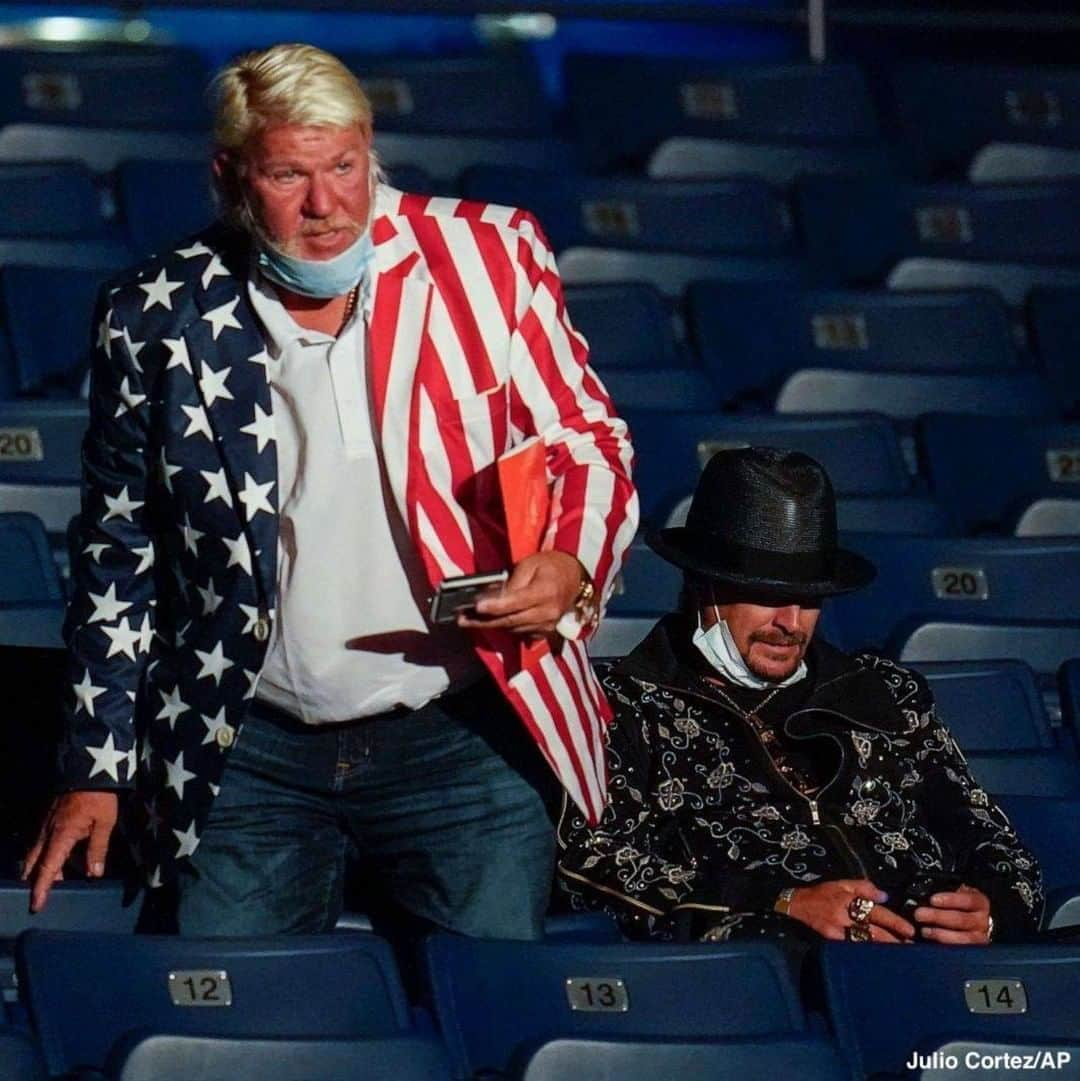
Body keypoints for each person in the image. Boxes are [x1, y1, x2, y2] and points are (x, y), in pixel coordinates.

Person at [23, 43, 637, 939]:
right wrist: (97, 763)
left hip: (461, 733)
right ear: (230, 175)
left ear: (370, 145)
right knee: (239, 1028)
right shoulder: (155, 314)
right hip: (247, 746)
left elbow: (588, 440)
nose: (326, 204)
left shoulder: (490, 254)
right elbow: (121, 554)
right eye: (289, 174)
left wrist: (571, 563)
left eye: (345, 166)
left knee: (497, 1015)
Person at [558, 447, 1042, 945]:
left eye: (809, 598)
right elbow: (591, 865)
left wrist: (990, 911)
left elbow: (993, 839)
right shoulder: (617, 707)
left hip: (931, 961)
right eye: (766, 594)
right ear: (703, 585)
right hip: (769, 973)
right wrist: (780, 903)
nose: (791, 623)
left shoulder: (886, 695)